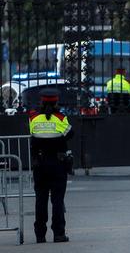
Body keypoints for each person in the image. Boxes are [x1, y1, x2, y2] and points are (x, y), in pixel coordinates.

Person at [29, 89, 73, 243]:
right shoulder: (61, 118)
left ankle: (40, 235)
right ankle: (59, 234)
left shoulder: (33, 118)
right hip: (58, 164)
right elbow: (70, 134)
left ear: (41, 102)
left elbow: (32, 134)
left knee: (40, 200)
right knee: (57, 200)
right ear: (56, 103)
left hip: (40, 164)